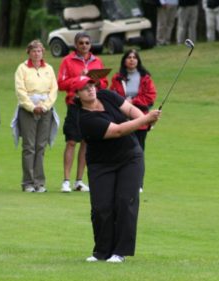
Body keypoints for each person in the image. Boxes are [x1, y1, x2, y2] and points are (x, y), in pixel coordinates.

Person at [73, 77, 161, 263]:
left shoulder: (106, 95)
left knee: (125, 201)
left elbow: (129, 109)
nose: (91, 90)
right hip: (101, 164)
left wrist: (143, 120)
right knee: (101, 207)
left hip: (129, 158)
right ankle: (101, 252)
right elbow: (118, 130)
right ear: (76, 94)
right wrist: (146, 119)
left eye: (91, 85)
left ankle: (120, 252)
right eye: (84, 88)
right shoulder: (85, 119)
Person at [57, 32, 108, 193]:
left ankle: (79, 181)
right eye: (81, 43)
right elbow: (61, 84)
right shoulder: (68, 61)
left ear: (90, 45)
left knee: (86, 142)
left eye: (87, 43)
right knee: (72, 141)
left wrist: (96, 81)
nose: (84, 46)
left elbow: (104, 83)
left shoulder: (97, 61)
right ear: (76, 44)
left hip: (92, 106)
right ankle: (66, 180)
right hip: (75, 104)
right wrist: (80, 79)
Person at [13, 40, 58, 193]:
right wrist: (32, 107)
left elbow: (53, 90)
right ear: (29, 52)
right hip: (28, 110)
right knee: (29, 146)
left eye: (39, 51)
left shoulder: (49, 69)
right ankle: (28, 182)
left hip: (46, 110)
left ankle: (39, 182)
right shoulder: (22, 68)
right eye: (33, 51)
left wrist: (45, 106)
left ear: (42, 52)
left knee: (40, 146)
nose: (36, 54)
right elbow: (20, 90)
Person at [109, 49, 156, 191]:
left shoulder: (145, 77)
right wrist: (122, 102)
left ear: (138, 60)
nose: (131, 60)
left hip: (140, 121)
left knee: (138, 151)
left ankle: (138, 183)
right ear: (124, 60)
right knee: (121, 151)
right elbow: (112, 95)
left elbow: (150, 96)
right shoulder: (117, 78)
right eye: (129, 57)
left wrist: (132, 102)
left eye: (134, 57)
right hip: (122, 121)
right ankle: (121, 181)